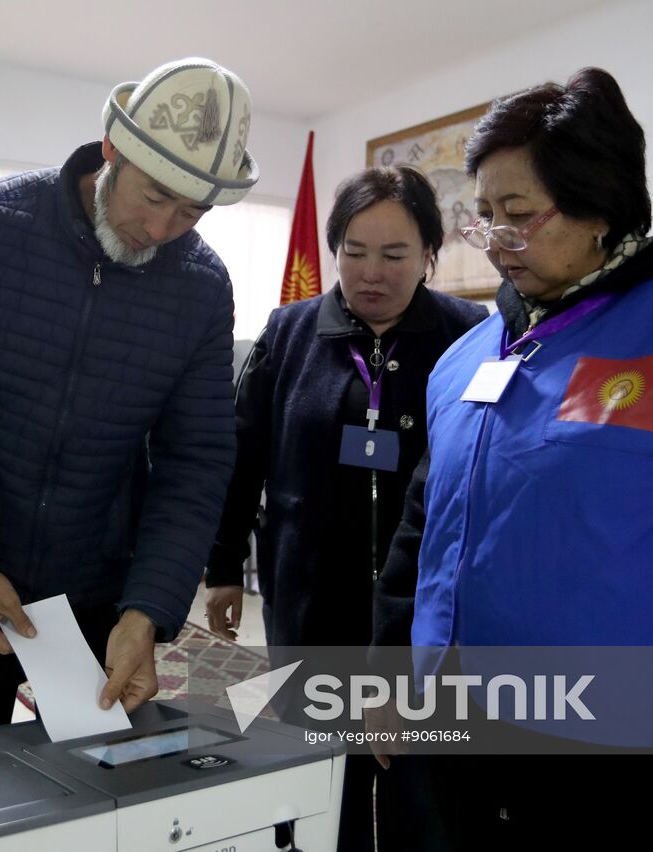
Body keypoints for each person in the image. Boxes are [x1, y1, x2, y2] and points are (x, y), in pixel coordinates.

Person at [372, 68, 653, 850]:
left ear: (598, 205)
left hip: (622, 768)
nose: (497, 239)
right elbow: (423, 529)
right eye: (484, 216)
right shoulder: (469, 357)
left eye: (519, 214)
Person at [0, 58, 257, 737]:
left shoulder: (201, 286)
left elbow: (196, 459)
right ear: (112, 150)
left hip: (96, 594)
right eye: (153, 197)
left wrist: (148, 610)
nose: (163, 229)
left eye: (192, 211)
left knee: (88, 772)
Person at [202, 166, 485, 852]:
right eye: (354, 252)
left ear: (430, 254)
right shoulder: (291, 332)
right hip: (312, 602)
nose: (372, 274)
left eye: (395, 255)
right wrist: (224, 566)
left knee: (422, 786)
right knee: (323, 783)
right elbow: (242, 456)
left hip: (423, 613)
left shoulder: (468, 334)